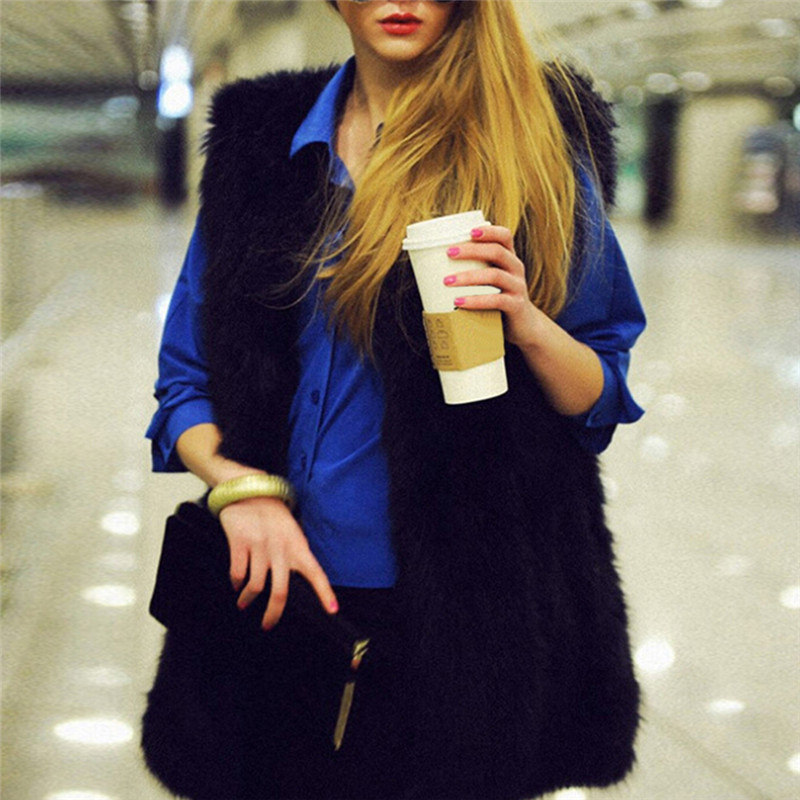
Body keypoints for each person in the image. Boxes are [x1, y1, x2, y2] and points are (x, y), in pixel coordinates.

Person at [145, 2, 646, 799]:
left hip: (463, 613)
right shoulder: (260, 145)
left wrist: (526, 321)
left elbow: (602, 391)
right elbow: (185, 382)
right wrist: (245, 491)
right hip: (275, 592)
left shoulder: (533, 141)